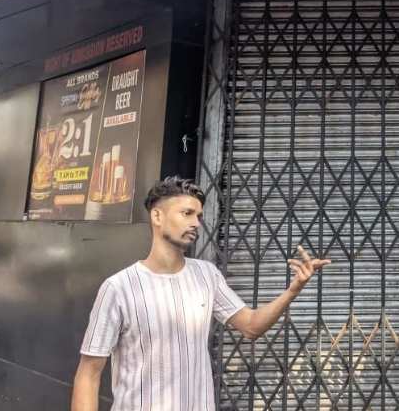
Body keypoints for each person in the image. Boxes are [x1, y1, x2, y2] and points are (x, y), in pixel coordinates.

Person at [71, 176, 330, 411]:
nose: (196, 223)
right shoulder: (119, 288)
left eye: (199, 216)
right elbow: (89, 374)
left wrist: (294, 289)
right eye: (187, 213)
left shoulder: (206, 275)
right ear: (157, 216)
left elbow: (251, 326)